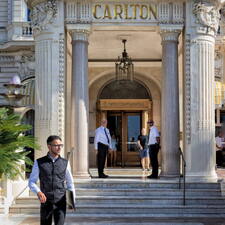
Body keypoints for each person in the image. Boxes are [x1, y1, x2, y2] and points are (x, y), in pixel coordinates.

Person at [28, 135, 75, 225]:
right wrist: (38, 192)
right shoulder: (39, 162)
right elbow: (31, 182)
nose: (59, 148)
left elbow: (70, 183)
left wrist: (71, 201)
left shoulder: (65, 163)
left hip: (60, 201)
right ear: (49, 146)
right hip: (46, 201)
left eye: (61, 145)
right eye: (56, 145)